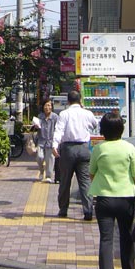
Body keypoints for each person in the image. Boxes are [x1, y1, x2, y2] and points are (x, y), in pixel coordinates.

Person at [89, 111, 135, 269]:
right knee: (125, 235)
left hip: (104, 199)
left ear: (103, 130)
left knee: (106, 239)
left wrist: (100, 184)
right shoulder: (129, 148)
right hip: (126, 199)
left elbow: (91, 172)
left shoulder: (98, 148)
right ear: (121, 128)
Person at [52, 89, 99, 220]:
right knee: (85, 182)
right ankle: (88, 211)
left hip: (67, 149)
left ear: (68, 101)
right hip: (84, 148)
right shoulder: (87, 113)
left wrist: (54, 145)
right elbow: (95, 125)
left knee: (65, 181)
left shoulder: (64, 114)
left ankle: (63, 210)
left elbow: (59, 130)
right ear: (80, 100)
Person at [31, 99, 59, 183]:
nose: (48, 107)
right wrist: (35, 127)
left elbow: (58, 129)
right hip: (41, 140)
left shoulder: (55, 117)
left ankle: (48, 176)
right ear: (43, 107)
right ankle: (41, 170)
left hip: (51, 141)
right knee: (39, 157)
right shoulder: (40, 116)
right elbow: (36, 128)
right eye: (46, 105)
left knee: (50, 159)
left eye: (49, 105)